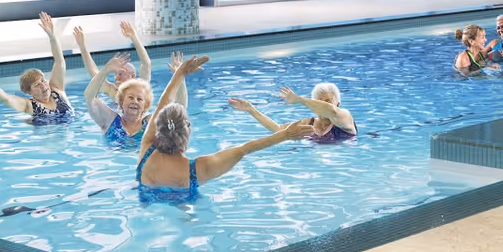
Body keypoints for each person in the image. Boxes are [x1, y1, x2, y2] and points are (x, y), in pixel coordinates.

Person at [136, 59, 311, 203]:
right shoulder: (198, 169)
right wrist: (285, 134)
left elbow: (163, 104)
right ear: (187, 131)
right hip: (185, 216)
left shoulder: (146, 149)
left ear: (157, 128)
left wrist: (179, 74)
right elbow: (245, 148)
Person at [0, 12, 74, 123]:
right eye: (37, 85)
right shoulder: (28, 105)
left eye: (43, 81)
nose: (43, 86)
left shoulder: (57, 91)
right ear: (29, 92)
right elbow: (5, 98)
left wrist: (52, 36)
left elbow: (60, 62)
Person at [228, 83, 357, 144]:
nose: (323, 104)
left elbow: (331, 111)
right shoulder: (308, 124)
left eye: (328, 101)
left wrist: (300, 99)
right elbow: (278, 129)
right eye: (319, 101)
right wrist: (252, 110)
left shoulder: (344, 117)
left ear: (338, 104)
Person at [72, 20, 153, 92]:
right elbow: (95, 74)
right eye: (116, 74)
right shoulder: (113, 92)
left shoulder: (139, 90)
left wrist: (134, 37)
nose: (116, 78)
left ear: (132, 76)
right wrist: (82, 46)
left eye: (120, 74)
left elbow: (146, 64)